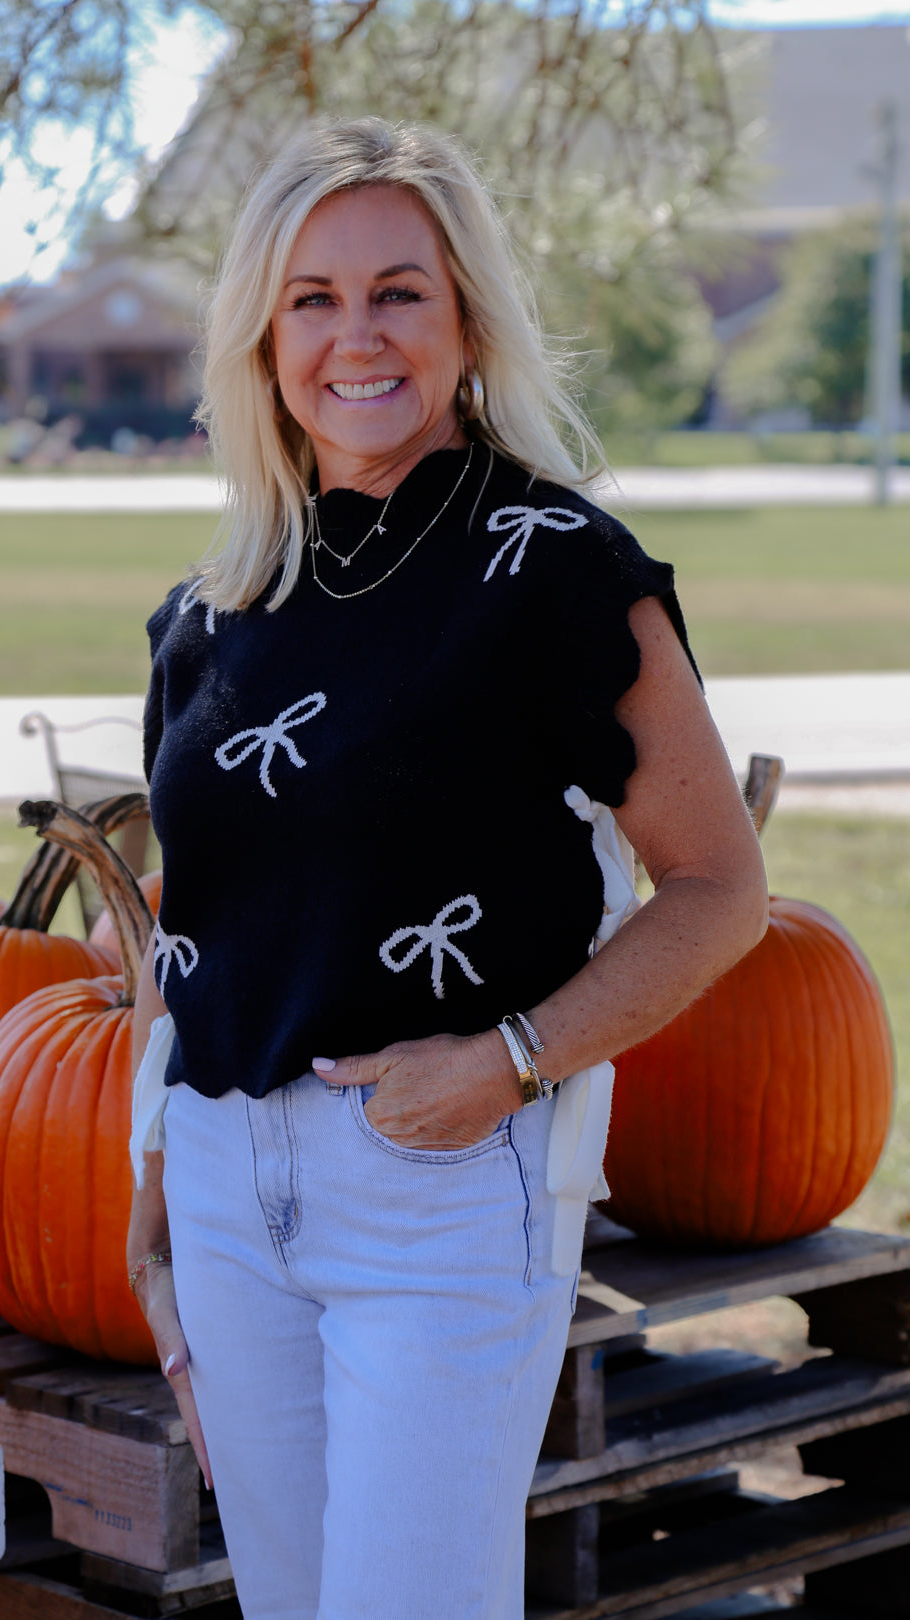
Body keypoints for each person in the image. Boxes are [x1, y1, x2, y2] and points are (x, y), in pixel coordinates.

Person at [126, 116, 769, 1620]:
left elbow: (719, 889)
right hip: (227, 1189)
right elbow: (196, 924)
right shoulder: (211, 611)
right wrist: (155, 1188)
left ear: (467, 317)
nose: (358, 336)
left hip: (439, 1182)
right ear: (260, 336)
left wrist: (513, 1060)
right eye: (313, 297)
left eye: (399, 290)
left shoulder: (555, 568)